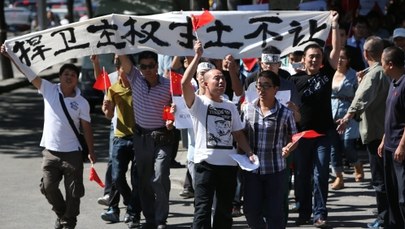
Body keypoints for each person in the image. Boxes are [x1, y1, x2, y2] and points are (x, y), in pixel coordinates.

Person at [1, 45, 96, 229]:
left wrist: (91, 151)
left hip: (73, 154)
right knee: (48, 187)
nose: (68, 77)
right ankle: (62, 215)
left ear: (77, 80)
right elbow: (29, 73)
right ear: (60, 77)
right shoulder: (48, 89)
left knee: (73, 192)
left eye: (72, 75)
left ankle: (69, 222)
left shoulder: (82, 102)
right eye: (65, 74)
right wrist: (10, 56)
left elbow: (87, 128)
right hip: (51, 152)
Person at [181, 40, 254, 229]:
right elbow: (183, 83)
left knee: (224, 211)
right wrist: (197, 56)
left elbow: (238, 134)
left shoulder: (230, 106)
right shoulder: (198, 103)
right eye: (216, 78)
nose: (221, 81)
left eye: (223, 78)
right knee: (202, 210)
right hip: (205, 165)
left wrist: (249, 152)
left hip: (228, 165)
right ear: (205, 83)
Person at [288, 11, 340, 228]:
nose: (315, 59)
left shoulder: (326, 74)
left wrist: (335, 26)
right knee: (301, 176)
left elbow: (336, 50)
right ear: (303, 59)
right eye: (311, 56)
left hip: (323, 134)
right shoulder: (294, 79)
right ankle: (303, 211)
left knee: (320, 175)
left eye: (318, 56)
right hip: (300, 135)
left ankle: (320, 214)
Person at [337, 36, 390, 229]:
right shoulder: (385, 71)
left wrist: (347, 117)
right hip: (386, 132)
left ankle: (384, 219)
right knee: (387, 178)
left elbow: (363, 96)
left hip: (376, 133)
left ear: (365, 53)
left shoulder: (374, 73)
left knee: (380, 180)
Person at [118, 51, 174, 229]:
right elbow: (123, 58)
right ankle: (150, 219)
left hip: (163, 137)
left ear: (157, 66)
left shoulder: (169, 85)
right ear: (139, 68)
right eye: (144, 66)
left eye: (151, 66)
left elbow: (178, 107)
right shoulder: (135, 79)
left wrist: (173, 118)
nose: (148, 70)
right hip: (141, 138)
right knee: (144, 181)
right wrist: (115, 37)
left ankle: (161, 219)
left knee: (160, 175)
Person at [241, 70, 298, 229]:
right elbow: (241, 135)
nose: (262, 90)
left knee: (275, 213)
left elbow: (294, 137)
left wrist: (289, 146)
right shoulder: (247, 110)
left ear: (276, 89)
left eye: (267, 86)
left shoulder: (285, 113)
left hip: (276, 170)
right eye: (259, 86)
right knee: (250, 211)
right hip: (253, 170)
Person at [92, 55, 141, 227]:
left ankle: (133, 213)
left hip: (138, 138)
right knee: (116, 176)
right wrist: (107, 110)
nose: (124, 73)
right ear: (118, 70)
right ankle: (127, 202)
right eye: (121, 69)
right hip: (119, 136)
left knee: (137, 178)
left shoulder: (139, 85)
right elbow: (109, 115)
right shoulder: (112, 87)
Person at [379, 46, 405, 229]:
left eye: (382, 62)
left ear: (389, 64)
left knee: (403, 197)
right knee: (392, 195)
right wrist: (383, 139)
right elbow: (391, 115)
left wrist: (402, 145)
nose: (380, 66)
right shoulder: (393, 82)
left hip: (400, 149)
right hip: (389, 146)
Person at [330, 47, 361, 190]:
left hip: (348, 114)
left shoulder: (354, 75)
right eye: (338, 57)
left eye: (343, 57)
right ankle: (339, 177)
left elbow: (360, 96)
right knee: (333, 148)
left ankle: (357, 165)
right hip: (331, 114)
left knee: (347, 145)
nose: (340, 60)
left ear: (348, 60)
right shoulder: (330, 73)